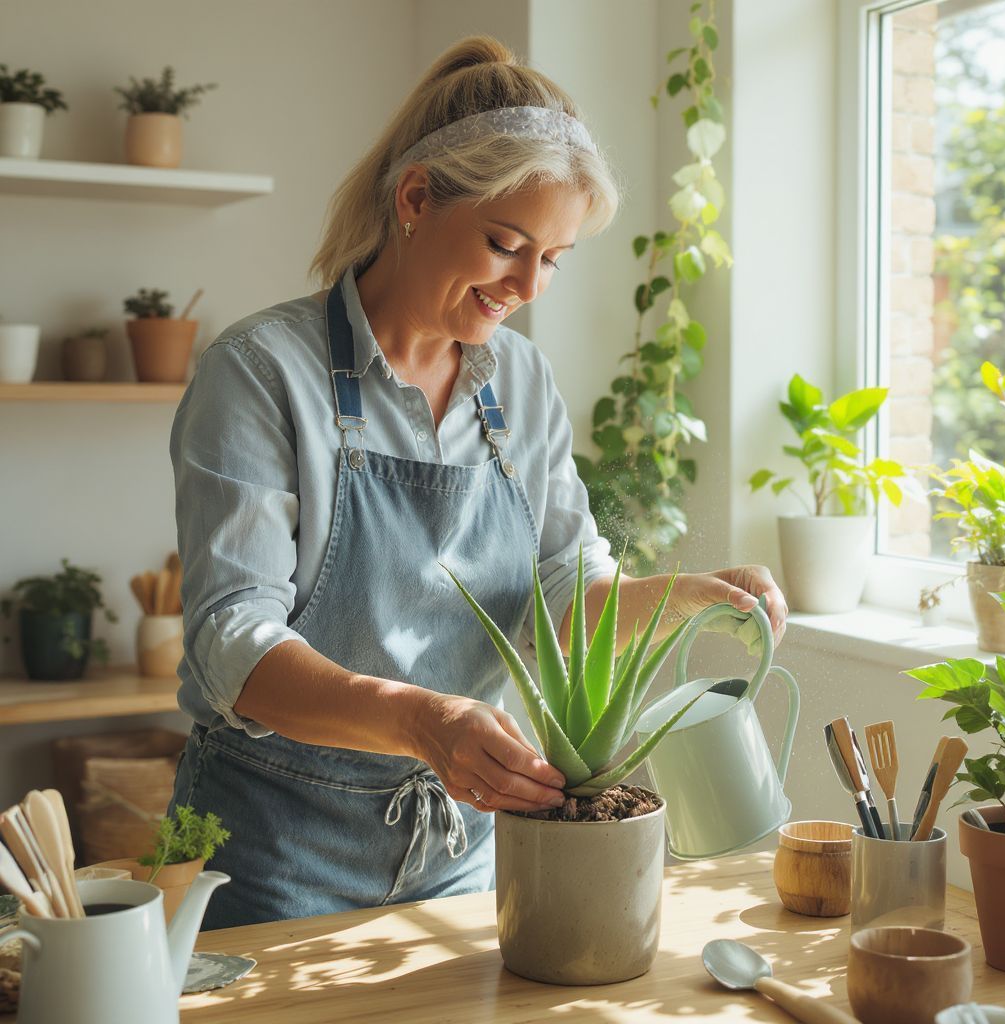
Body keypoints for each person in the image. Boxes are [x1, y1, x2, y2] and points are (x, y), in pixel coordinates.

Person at [168, 35, 788, 930]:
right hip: (270, 855)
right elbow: (233, 645)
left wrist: (684, 598)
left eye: (554, 258)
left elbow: (562, 598)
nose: (527, 285)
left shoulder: (522, 383)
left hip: (463, 852)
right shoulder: (261, 372)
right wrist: (423, 722)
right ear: (416, 199)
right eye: (506, 245)